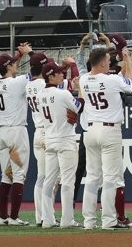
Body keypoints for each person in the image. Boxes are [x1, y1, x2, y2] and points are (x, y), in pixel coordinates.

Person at [79, 44, 132, 230]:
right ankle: (109, 220)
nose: (110, 63)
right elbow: (129, 86)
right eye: (108, 61)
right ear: (102, 63)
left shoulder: (83, 79)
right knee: (110, 177)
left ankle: (89, 221)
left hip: (90, 130)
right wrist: (127, 60)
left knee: (92, 177)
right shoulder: (111, 80)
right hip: (109, 130)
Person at [0, 44, 35, 226]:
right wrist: (29, 53)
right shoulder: (16, 83)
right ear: (8, 66)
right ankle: (14, 217)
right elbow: (38, 69)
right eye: (13, 63)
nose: (16, 64)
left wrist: (18, 55)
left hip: (2, 133)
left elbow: (8, 67)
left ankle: (3, 217)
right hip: (16, 132)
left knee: (6, 176)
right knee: (18, 176)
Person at [39, 59, 82, 229]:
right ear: (51, 76)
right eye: (58, 73)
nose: (62, 74)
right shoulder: (62, 94)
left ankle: (47, 220)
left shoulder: (40, 94)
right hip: (65, 139)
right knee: (68, 181)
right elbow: (79, 107)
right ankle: (67, 220)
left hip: (50, 139)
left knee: (48, 181)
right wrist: (80, 90)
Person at [25, 51, 52, 228]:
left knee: (41, 177)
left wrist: (31, 54)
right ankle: (46, 217)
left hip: (37, 131)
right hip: (47, 132)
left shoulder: (28, 84)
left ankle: (40, 216)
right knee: (48, 178)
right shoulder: (44, 84)